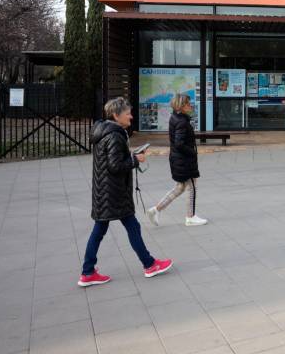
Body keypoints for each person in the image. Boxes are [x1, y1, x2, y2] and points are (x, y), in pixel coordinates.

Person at [78, 97, 173, 287]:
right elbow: (115, 166)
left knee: (100, 230)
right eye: (128, 112)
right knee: (132, 227)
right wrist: (135, 160)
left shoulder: (103, 131)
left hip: (103, 192)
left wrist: (130, 156)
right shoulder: (114, 135)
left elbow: (110, 161)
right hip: (115, 193)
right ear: (116, 115)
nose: (131, 115)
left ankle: (88, 272)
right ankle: (149, 265)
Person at [147, 93, 208, 227]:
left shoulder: (175, 118)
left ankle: (156, 209)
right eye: (187, 103)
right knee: (192, 187)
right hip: (184, 161)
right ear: (181, 106)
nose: (190, 105)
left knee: (180, 188)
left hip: (177, 159)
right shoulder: (181, 121)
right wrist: (192, 152)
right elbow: (179, 143)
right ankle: (190, 217)